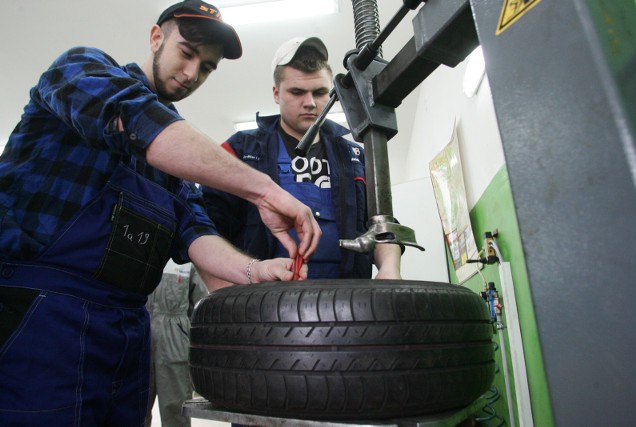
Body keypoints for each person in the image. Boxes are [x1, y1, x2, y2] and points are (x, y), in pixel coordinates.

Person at [0, 2, 321, 425]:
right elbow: (136, 117)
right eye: (187, 53)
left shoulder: (176, 161)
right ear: (156, 38)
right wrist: (263, 190)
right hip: (41, 324)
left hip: (128, 334)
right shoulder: (81, 70)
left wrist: (253, 271)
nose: (192, 74)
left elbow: (195, 230)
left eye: (206, 68)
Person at [201, 37, 402, 285]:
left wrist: (389, 269)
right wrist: (221, 292)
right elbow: (205, 227)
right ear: (276, 93)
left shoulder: (356, 157)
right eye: (297, 92)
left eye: (319, 93)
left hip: (349, 305)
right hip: (260, 306)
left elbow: (383, 226)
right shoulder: (239, 150)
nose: (309, 103)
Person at [145, 264, 207, 427]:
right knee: (134, 407)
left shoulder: (186, 263)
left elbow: (199, 307)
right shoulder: (140, 252)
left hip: (175, 339)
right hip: (139, 334)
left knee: (176, 409)